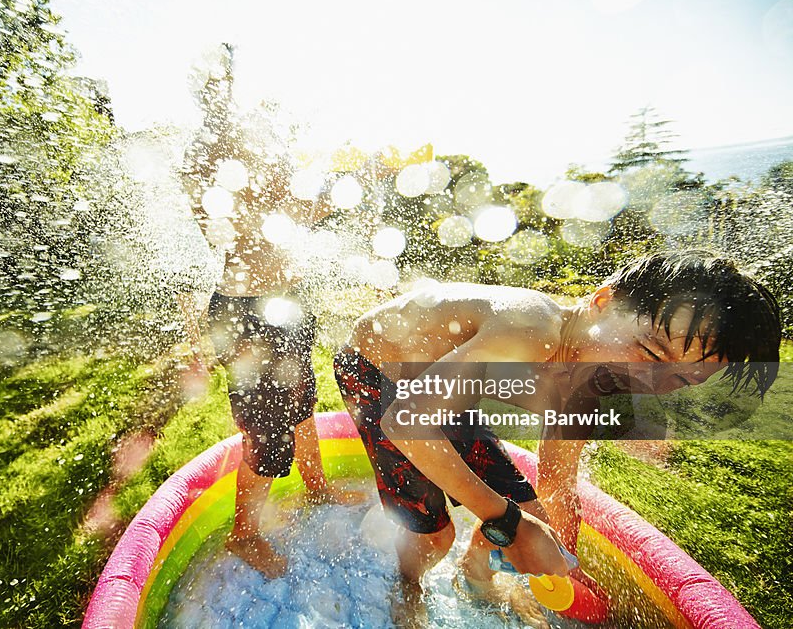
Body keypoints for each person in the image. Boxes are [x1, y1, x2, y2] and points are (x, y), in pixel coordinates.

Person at [333, 251, 780, 625]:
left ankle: (476, 576)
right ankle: (407, 584)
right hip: (377, 371)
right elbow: (406, 420)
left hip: (437, 386)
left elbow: (558, 480)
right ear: (603, 302)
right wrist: (510, 523)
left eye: (681, 379)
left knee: (528, 507)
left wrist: (564, 562)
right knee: (437, 535)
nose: (651, 382)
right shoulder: (529, 329)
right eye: (649, 353)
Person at [176, 44, 372, 578]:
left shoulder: (254, 145)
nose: (227, 92)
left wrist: (323, 199)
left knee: (302, 397)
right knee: (266, 429)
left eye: (230, 82)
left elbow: (293, 213)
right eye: (216, 84)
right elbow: (224, 224)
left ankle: (317, 484)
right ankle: (244, 535)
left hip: (287, 302)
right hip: (246, 310)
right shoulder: (204, 155)